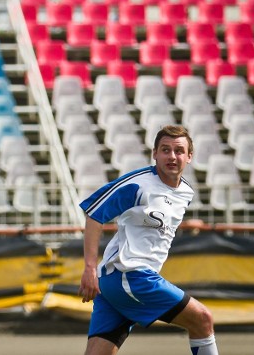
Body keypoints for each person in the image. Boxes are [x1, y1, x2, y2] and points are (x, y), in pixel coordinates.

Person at [78, 125, 219, 355]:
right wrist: (89, 269)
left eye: (179, 151)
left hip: (118, 282)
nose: (172, 156)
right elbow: (94, 213)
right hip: (131, 276)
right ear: (154, 153)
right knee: (202, 319)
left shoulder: (186, 193)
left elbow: (152, 222)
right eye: (165, 150)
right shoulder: (138, 184)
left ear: (189, 157)